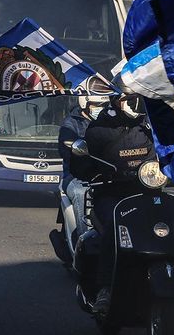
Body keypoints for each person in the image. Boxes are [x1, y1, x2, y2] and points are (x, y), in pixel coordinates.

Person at [69, 93, 155, 315]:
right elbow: (80, 166)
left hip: (147, 194)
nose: (138, 101)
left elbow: (164, 155)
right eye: (132, 96)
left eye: (141, 95)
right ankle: (105, 289)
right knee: (113, 227)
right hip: (111, 195)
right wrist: (96, 171)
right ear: (118, 98)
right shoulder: (99, 130)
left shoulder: (150, 126)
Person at [56, 95, 108, 240]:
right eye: (96, 105)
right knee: (81, 193)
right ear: (85, 103)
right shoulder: (71, 124)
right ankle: (85, 240)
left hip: (108, 175)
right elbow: (66, 150)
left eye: (104, 105)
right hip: (77, 176)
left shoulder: (109, 122)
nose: (101, 108)